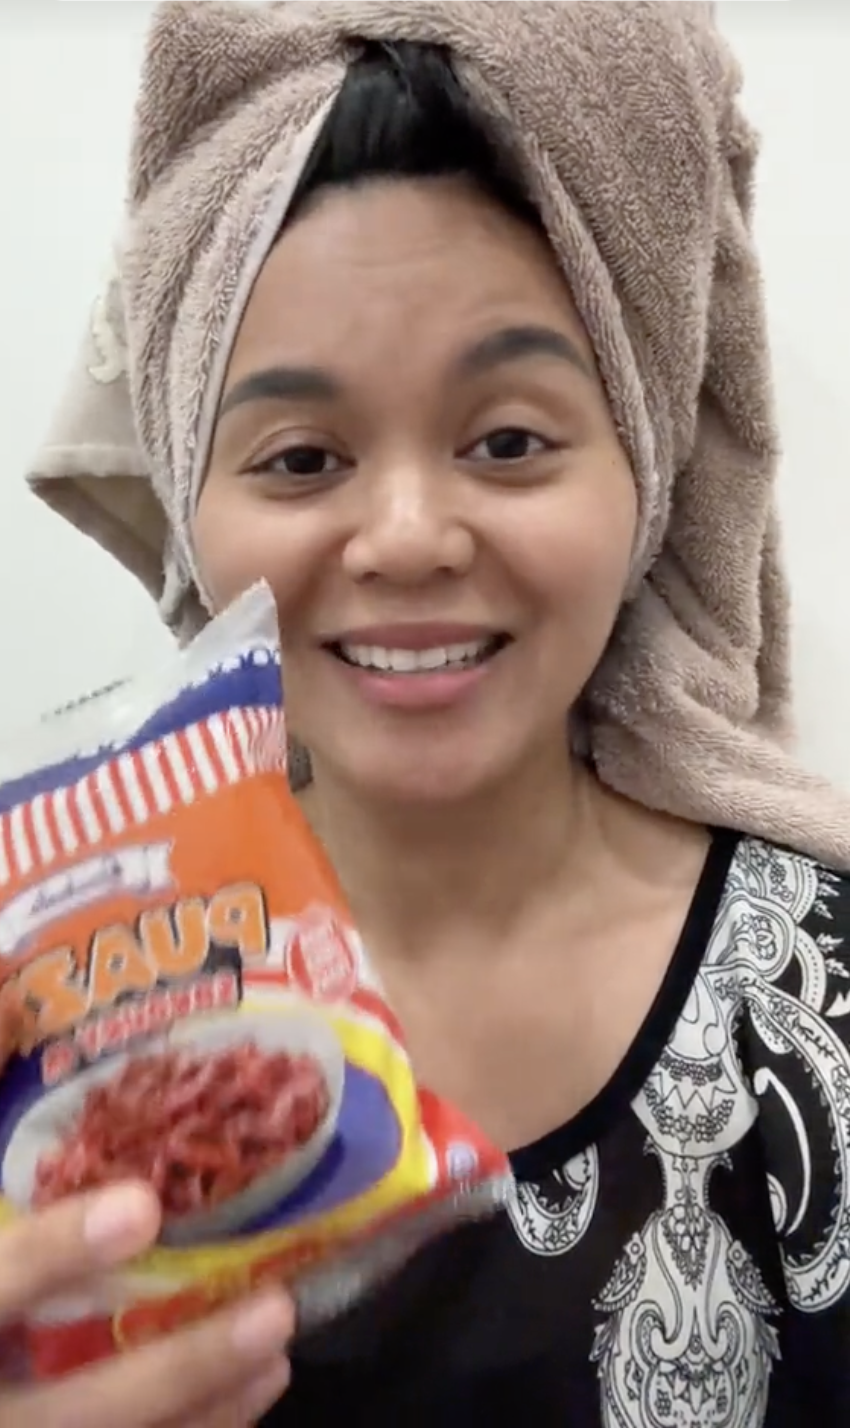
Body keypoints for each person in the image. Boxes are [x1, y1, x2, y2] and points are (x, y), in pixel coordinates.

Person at [12, 7, 850, 1426]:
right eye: (301, 458)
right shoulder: (58, 1011)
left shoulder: (816, 1007)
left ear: (644, 475)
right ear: (191, 506)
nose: (405, 537)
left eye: (508, 440)